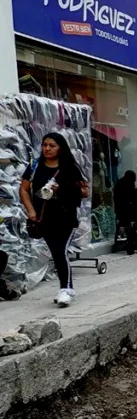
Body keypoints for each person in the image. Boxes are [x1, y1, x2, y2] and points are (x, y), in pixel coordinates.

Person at [19, 132, 88, 308]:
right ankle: (65, 287)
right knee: (56, 253)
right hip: (44, 217)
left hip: (66, 216)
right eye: (45, 145)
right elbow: (24, 189)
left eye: (52, 145)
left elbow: (84, 191)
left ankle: (66, 288)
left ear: (60, 148)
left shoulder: (70, 167)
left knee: (60, 251)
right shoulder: (35, 166)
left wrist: (61, 190)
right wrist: (31, 211)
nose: (47, 149)